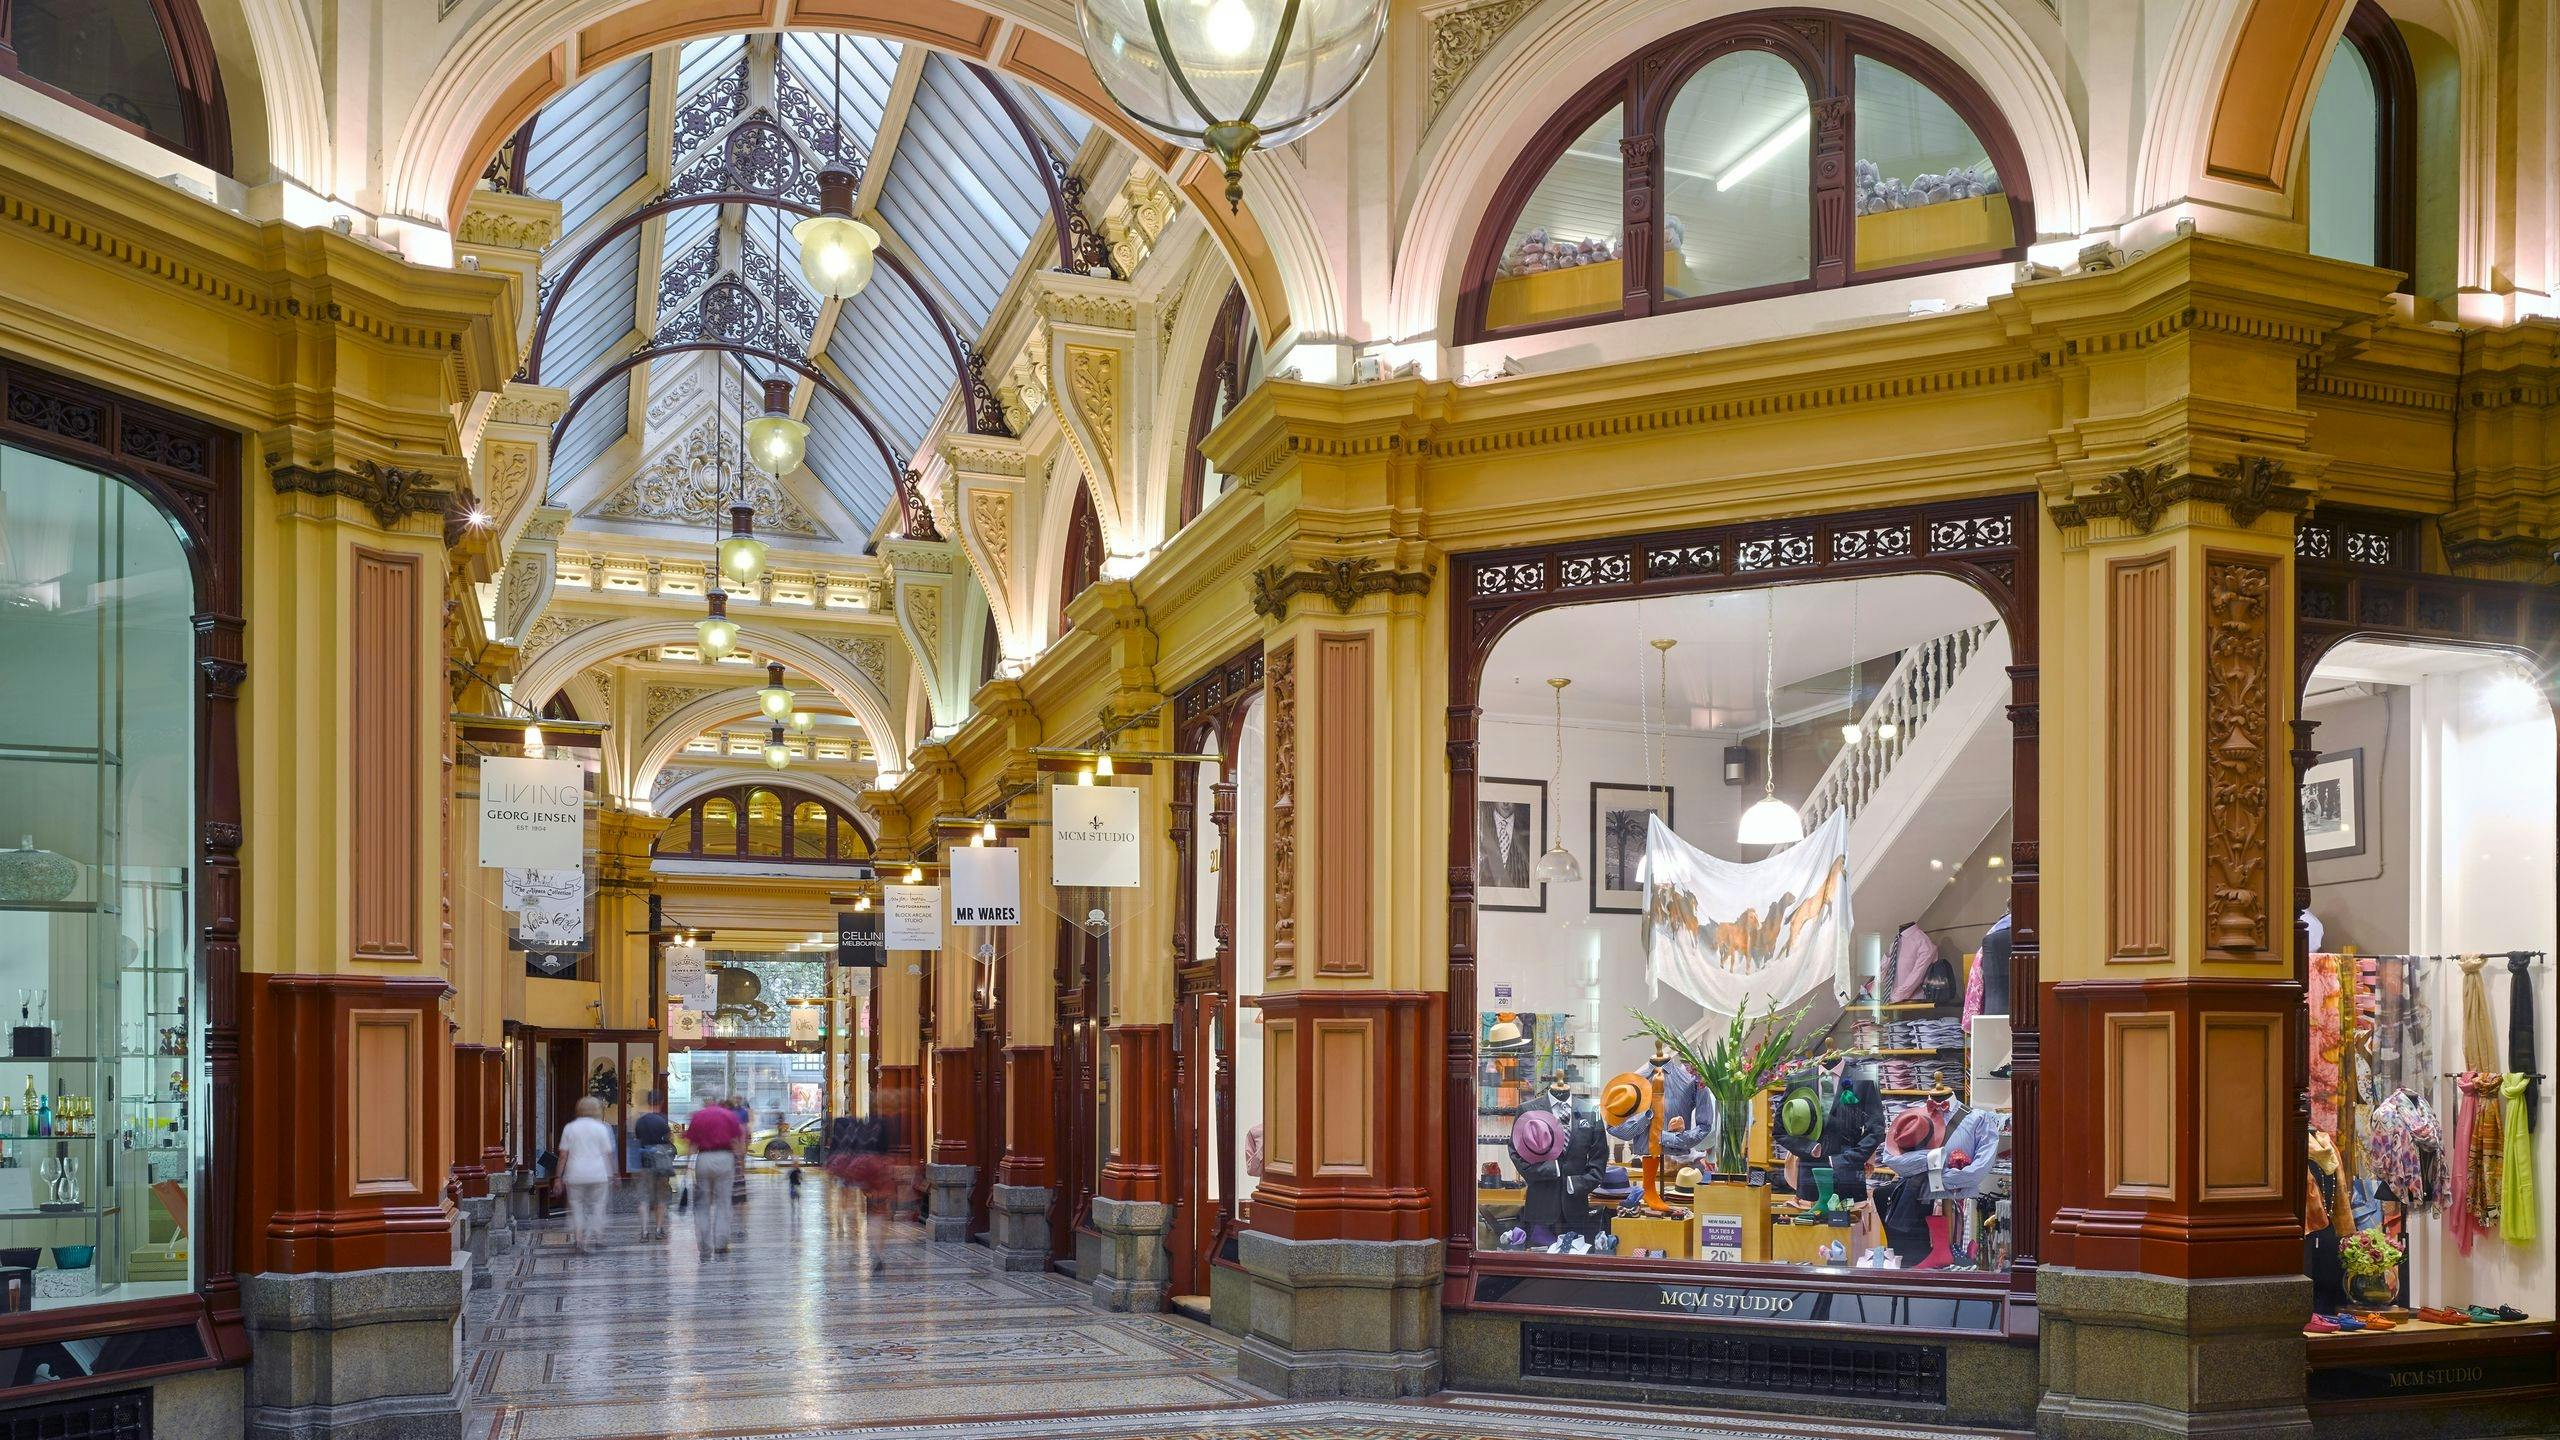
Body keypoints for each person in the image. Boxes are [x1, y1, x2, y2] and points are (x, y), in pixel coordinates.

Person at [555, 1096, 617, 1255]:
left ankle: (579, 1239)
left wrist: (558, 1177)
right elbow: (608, 1154)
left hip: (575, 1174)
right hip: (598, 1174)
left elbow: (563, 1155)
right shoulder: (601, 1128)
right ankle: (597, 1236)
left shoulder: (570, 1128)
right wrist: (613, 1173)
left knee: (577, 1207)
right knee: (598, 1206)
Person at [685, 1097, 745, 1258]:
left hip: (704, 1158)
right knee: (723, 1202)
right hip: (725, 1158)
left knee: (702, 1204)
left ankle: (704, 1246)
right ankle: (721, 1244)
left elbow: (692, 1144)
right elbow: (736, 1140)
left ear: (706, 1102)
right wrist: (740, 1161)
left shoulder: (698, 1116)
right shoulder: (728, 1115)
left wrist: (687, 1166)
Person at [632, 1090, 674, 1241]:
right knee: (660, 1196)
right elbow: (669, 1139)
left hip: (645, 1161)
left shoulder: (640, 1121)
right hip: (661, 1162)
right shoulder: (663, 1120)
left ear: (648, 1101)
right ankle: (658, 1229)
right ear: (661, 1102)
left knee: (644, 1197)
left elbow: (637, 1139)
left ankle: (644, 1231)